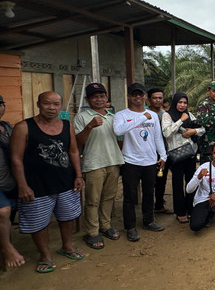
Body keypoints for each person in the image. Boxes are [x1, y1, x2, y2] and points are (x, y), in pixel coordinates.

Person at [11, 91, 85, 273]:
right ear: (38, 104)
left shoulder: (67, 125)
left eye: (56, 104)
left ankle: (67, 246)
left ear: (60, 106)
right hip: (36, 185)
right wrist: (22, 185)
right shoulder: (24, 127)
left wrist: (78, 175)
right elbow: (16, 159)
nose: (52, 108)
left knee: (67, 217)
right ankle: (45, 255)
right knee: (38, 222)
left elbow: (73, 151)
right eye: (47, 103)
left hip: (65, 182)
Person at [113, 83, 167, 242]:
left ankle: (148, 220)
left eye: (140, 94)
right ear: (129, 96)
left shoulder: (153, 116)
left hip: (150, 161)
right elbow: (118, 131)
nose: (138, 97)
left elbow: (157, 137)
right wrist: (142, 117)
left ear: (145, 96)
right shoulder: (122, 115)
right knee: (130, 196)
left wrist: (163, 155)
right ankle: (130, 227)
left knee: (149, 193)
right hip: (130, 161)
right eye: (134, 94)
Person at [74, 83, 124, 249]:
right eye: (94, 96)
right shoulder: (81, 117)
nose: (99, 99)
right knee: (92, 201)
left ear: (106, 98)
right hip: (93, 163)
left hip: (113, 161)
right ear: (87, 99)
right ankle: (93, 232)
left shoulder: (112, 116)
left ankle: (105, 226)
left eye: (102, 96)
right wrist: (89, 126)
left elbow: (119, 140)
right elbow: (77, 142)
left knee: (109, 197)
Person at [162, 92, 204, 224]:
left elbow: (202, 129)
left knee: (192, 181)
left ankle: (191, 208)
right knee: (177, 183)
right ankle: (180, 212)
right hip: (176, 154)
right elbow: (167, 132)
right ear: (175, 102)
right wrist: (181, 120)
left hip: (190, 153)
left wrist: (193, 131)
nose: (182, 105)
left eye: (185, 103)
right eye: (180, 102)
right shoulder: (167, 115)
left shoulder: (189, 115)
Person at [0, 94, 25, 268]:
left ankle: (6, 240)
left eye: (0, 104)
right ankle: (6, 248)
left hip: (10, 179)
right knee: (4, 211)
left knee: (11, 210)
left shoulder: (7, 127)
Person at [147, 87, 172, 215]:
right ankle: (148, 208)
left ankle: (159, 205)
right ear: (149, 99)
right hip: (148, 153)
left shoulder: (165, 115)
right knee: (150, 182)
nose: (157, 100)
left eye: (160, 98)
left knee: (161, 179)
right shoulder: (144, 114)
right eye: (155, 98)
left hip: (163, 152)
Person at [196, 80, 215, 161]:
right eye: (214, 91)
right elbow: (200, 122)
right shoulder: (204, 104)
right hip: (208, 147)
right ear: (209, 91)